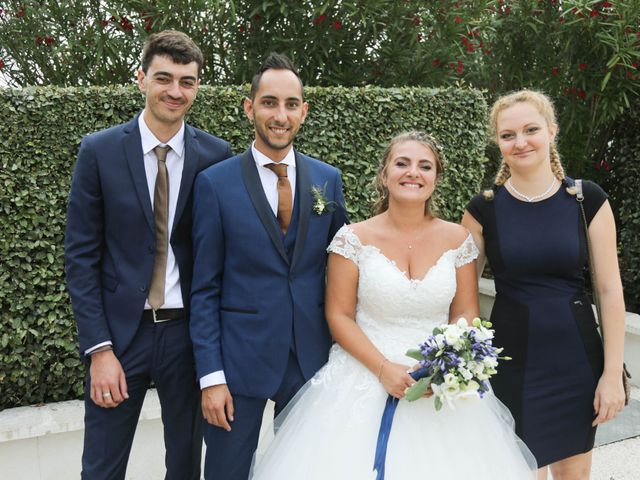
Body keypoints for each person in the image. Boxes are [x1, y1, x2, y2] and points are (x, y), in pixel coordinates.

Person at [251, 131, 537, 479]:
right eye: (402, 163)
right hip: (363, 373)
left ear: (436, 178)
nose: (413, 172)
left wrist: (444, 368)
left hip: (438, 380)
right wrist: (384, 369)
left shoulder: (457, 239)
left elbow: (465, 312)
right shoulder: (352, 238)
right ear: (384, 176)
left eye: (424, 166)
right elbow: (338, 315)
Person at [64, 30, 232, 479]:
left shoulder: (216, 157)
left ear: (197, 87)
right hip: (120, 338)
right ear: (141, 79)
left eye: (187, 81)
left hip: (187, 337)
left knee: (185, 466)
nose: (175, 91)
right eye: (164, 78)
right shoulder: (98, 151)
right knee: (101, 467)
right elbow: (80, 257)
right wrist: (98, 349)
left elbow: (220, 256)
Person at [189, 52, 349, 480]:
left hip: (310, 360)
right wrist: (210, 377)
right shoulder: (214, 183)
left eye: (291, 104)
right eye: (269, 102)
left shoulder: (326, 180)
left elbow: (344, 271)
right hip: (237, 365)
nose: (281, 115)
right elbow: (203, 287)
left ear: (304, 111)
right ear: (249, 108)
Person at [461, 90, 626, 480]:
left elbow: (609, 289)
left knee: (574, 474)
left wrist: (612, 373)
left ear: (551, 131)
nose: (520, 142)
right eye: (507, 135)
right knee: (520, 471)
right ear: (497, 142)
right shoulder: (482, 208)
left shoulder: (588, 199)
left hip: (577, 360)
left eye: (531, 129)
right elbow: (463, 298)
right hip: (512, 362)